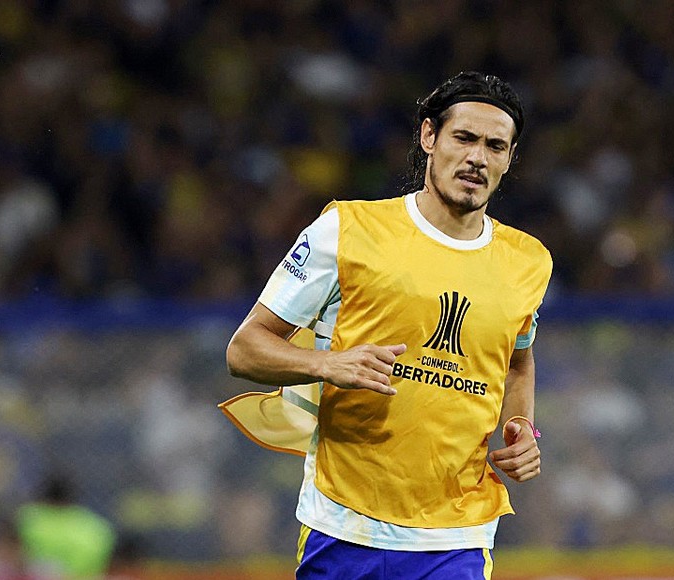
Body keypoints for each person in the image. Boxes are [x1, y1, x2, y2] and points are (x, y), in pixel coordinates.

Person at [226, 70, 552, 579]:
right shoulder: (347, 230)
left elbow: (518, 361)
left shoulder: (528, 261)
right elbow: (244, 350)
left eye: (495, 146)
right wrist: (327, 363)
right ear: (429, 137)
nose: (477, 158)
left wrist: (521, 428)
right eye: (463, 138)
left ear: (510, 160)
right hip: (344, 523)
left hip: (458, 534)